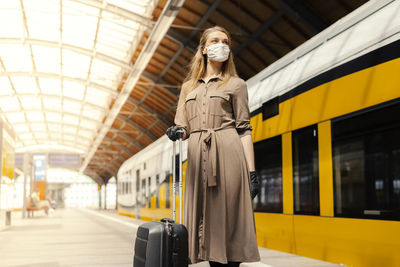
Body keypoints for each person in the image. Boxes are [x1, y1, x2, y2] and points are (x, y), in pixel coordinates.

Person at [166, 26, 260, 267]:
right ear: (204, 48)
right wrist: (177, 131)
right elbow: (183, 126)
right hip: (198, 162)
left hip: (229, 156)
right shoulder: (188, 88)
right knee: (202, 225)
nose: (222, 45)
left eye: (226, 41)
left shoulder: (237, 84)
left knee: (227, 224)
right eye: (216, 40)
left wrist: (251, 172)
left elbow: (244, 130)